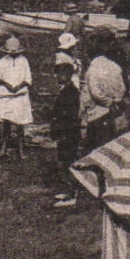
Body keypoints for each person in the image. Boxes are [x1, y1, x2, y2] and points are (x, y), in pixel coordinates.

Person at [80, 34, 126, 151]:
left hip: (98, 112)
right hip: (115, 110)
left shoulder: (92, 69)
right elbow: (122, 88)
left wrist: (108, 102)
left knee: (95, 147)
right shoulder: (115, 66)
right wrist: (116, 100)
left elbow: (95, 93)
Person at [49, 55, 83, 207]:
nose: (58, 77)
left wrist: (59, 129)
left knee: (69, 162)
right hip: (65, 133)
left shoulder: (71, 92)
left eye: (62, 74)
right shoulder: (66, 90)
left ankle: (72, 193)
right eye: (57, 74)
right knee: (64, 161)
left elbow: (68, 116)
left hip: (68, 133)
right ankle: (68, 189)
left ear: (69, 75)